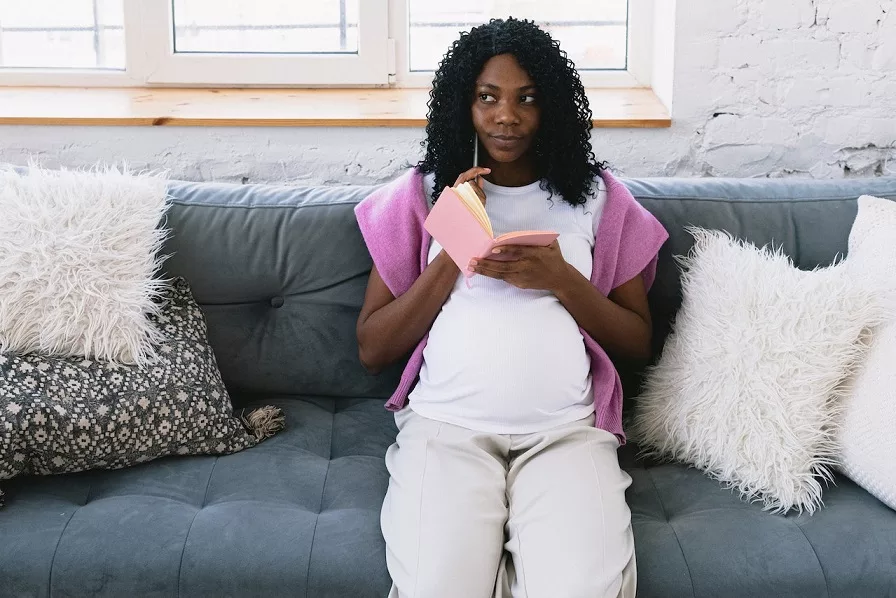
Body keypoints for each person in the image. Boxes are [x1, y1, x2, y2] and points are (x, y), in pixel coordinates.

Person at [354, 17, 668, 598]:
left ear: (551, 108)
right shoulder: (423, 196)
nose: (507, 115)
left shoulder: (596, 198)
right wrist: (454, 247)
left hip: (565, 436)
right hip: (446, 433)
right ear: (463, 106)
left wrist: (562, 281)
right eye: (488, 97)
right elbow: (374, 348)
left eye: (527, 99)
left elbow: (637, 344)